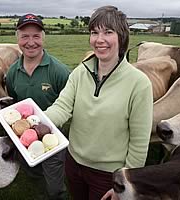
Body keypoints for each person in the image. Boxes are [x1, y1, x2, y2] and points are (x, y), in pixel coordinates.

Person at [44, 5, 153, 200]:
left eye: (108, 32)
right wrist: (37, 121)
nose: (99, 39)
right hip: (74, 163)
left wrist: (125, 184)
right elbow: (61, 107)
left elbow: (139, 142)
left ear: (122, 37)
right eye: (94, 32)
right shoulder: (80, 72)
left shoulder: (139, 83)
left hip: (108, 175)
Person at [6, 13, 70, 200]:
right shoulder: (12, 72)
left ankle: (56, 194)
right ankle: (39, 183)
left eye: (36, 36)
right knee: (31, 168)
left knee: (54, 185)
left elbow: (70, 105)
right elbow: (14, 102)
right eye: (25, 36)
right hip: (24, 137)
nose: (31, 42)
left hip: (53, 139)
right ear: (17, 38)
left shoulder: (59, 72)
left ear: (44, 38)